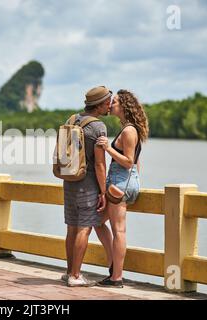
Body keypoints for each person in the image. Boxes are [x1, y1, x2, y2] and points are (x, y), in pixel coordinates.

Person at [94, 89, 149, 288]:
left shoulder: (128, 131)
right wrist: (133, 182)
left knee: (119, 230)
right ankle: (112, 266)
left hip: (120, 182)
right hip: (127, 182)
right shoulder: (130, 129)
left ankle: (116, 277)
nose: (110, 105)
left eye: (114, 102)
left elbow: (128, 161)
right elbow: (137, 163)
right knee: (98, 221)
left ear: (124, 106)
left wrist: (107, 148)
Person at [62, 85, 112, 287]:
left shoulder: (72, 119)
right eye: (108, 102)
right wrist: (103, 191)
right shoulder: (98, 127)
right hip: (88, 183)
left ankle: (68, 272)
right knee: (84, 228)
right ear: (99, 105)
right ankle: (75, 276)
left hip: (69, 180)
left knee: (72, 228)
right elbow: (100, 164)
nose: (109, 106)